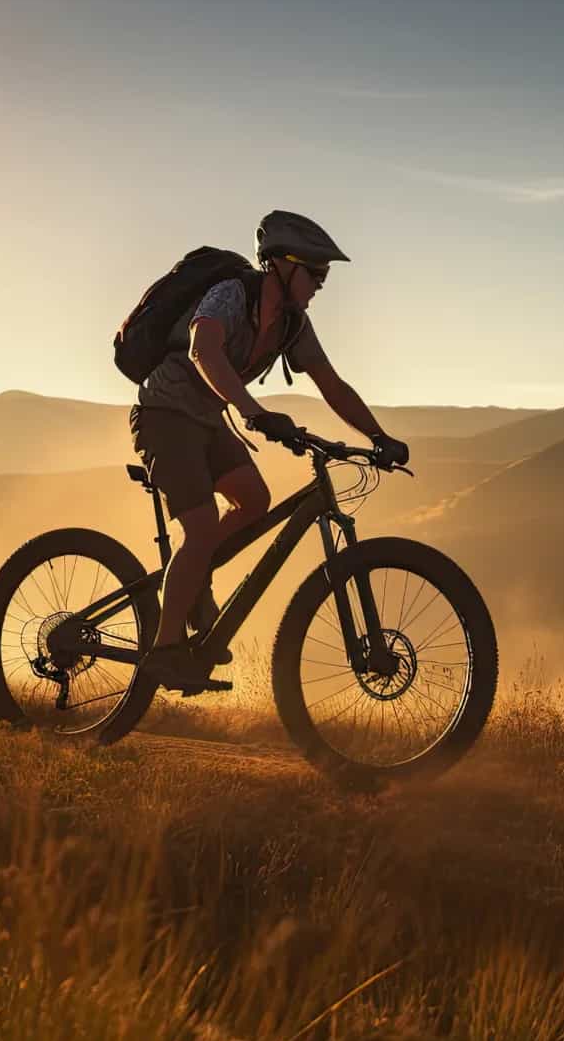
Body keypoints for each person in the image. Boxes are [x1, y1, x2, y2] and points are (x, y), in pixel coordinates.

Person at [131, 210, 408, 690]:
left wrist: (378, 436)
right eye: (316, 273)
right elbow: (203, 349)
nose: (321, 284)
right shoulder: (234, 294)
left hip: (208, 421)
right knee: (199, 529)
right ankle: (165, 648)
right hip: (164, 415)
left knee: (253, 502)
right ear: (283, 266)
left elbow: (332, 385)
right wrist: (254, 411)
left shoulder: (292, 325)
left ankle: (193, 583)